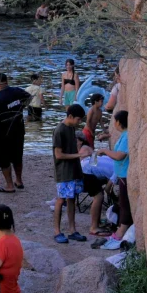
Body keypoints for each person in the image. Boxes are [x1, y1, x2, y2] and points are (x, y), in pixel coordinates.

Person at [0, 73, 31, 193]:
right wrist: (20, 107)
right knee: (17, 156)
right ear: (7, 81)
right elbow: (29, 97)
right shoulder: (17, 91)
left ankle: (9, 185)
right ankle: (19, 181)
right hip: (18, 130)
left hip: (1, 134)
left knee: (4, 159)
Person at [52, 104, 87, 244]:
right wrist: (78, 155)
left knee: (71, 198)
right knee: (61, 200)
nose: (80, 122)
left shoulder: (71, 128)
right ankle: (57, 231)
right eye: (79, 119)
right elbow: (58, 155)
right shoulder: (59, 130)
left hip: (73, 170)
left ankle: (72, 230)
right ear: (71, 116)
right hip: (63, 171)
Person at [97, 111, 131, 247]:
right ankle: (121, 228)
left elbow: (120, 156)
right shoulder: (124, 135)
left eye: (114, 121)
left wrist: (105, 151)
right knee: (122, 202)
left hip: (124, 174)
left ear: (118, 122)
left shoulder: (127, 136)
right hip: (121, 174)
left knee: (125, 203)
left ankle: (122, 230)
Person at [76, 131, 115, 237]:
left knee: (99, 195)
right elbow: (108, 189)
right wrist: (116, 200)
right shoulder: (118, 171)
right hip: (87, 171)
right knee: (99, 196)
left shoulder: (116, 162)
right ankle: (94, 227)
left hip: (87, 167)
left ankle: (96, 224)